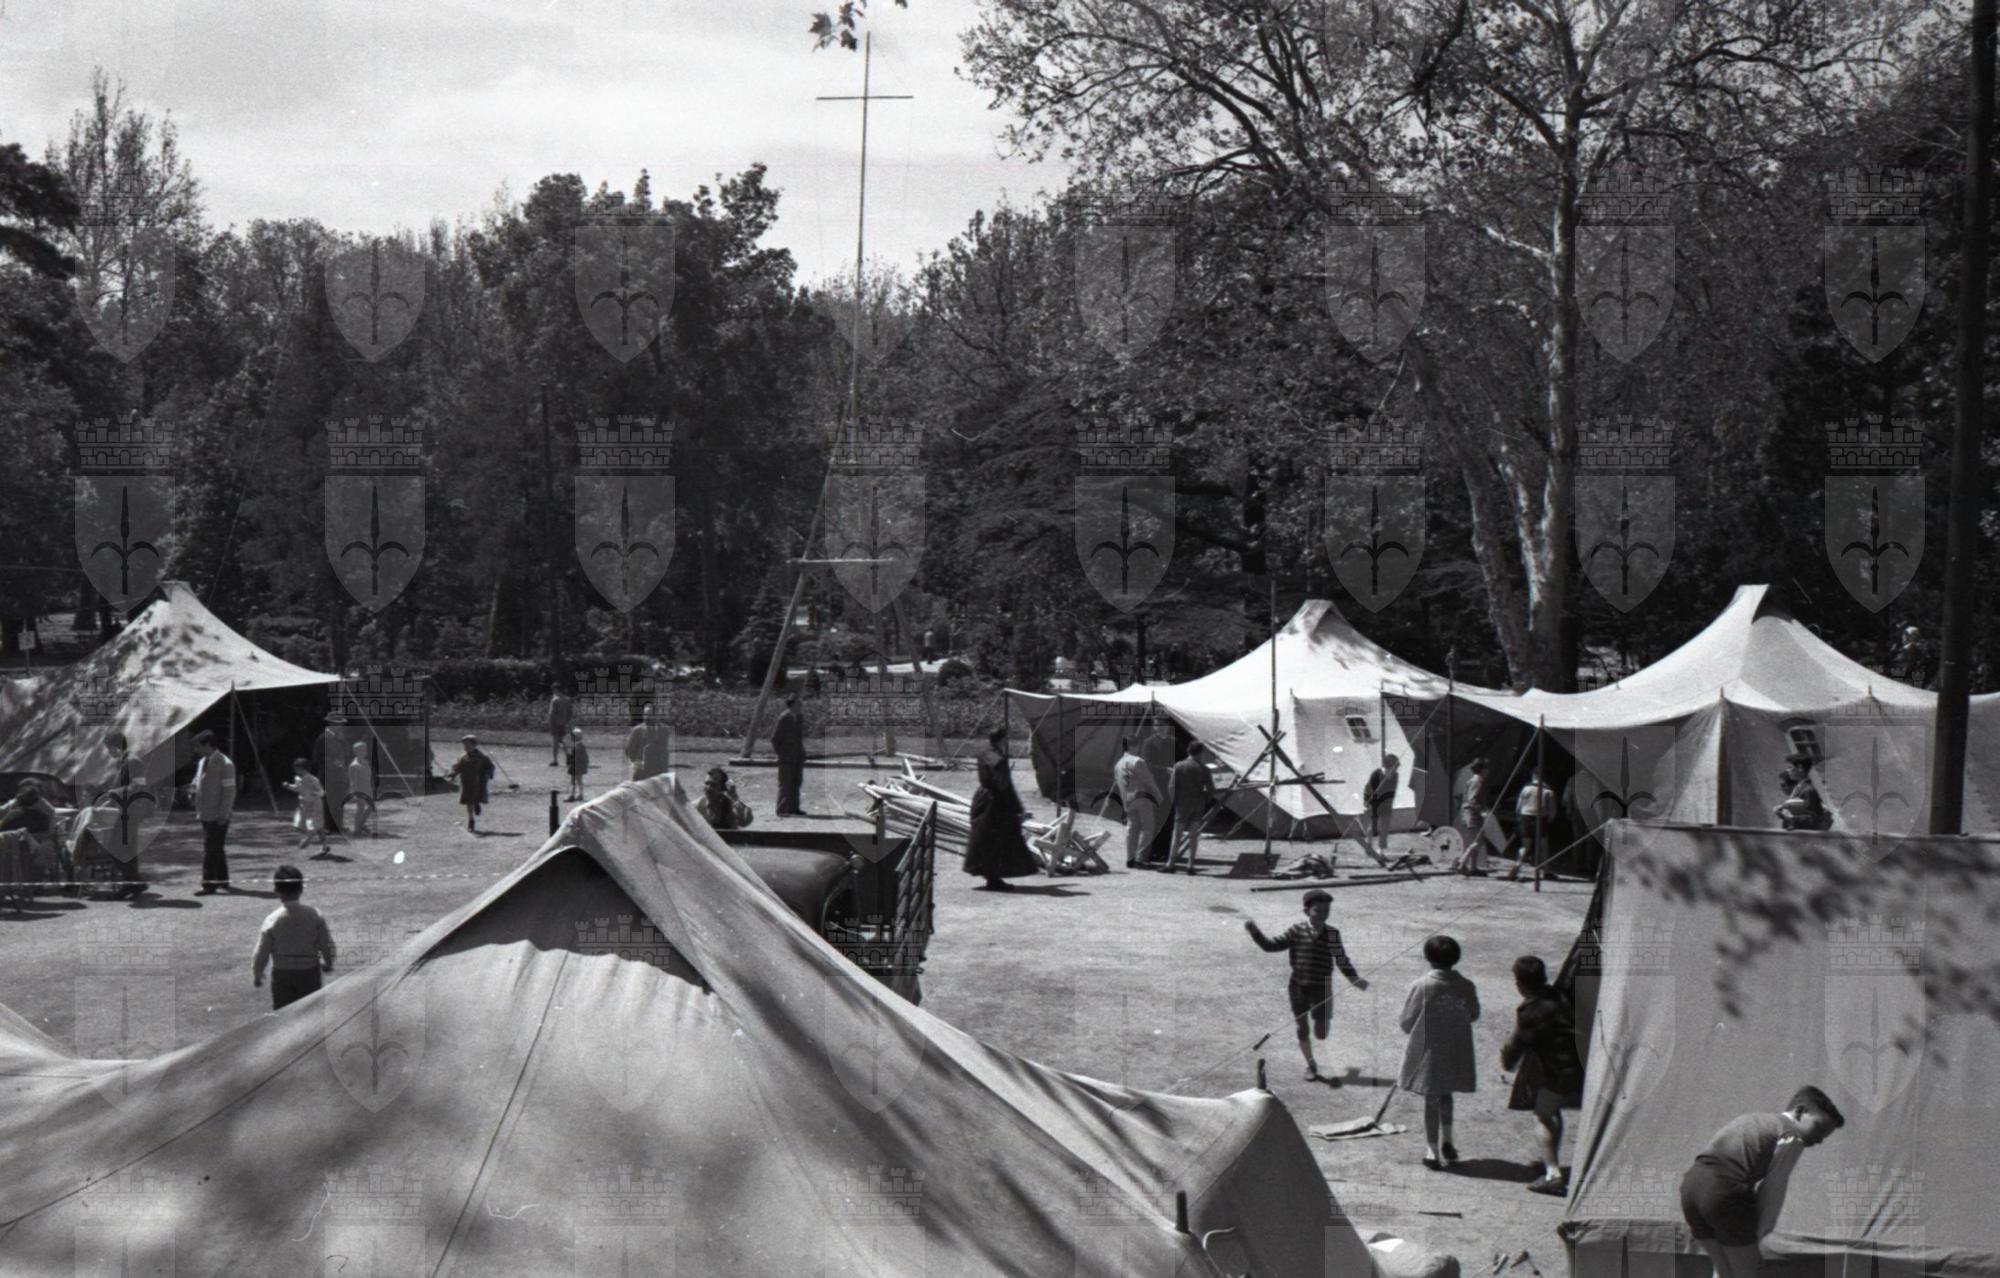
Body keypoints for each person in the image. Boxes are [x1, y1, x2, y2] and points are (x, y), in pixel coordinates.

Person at [1680, 1088, 1845, 1278]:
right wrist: (1756, 1236)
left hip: (1690, 1189)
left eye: (1825, 1136)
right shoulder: (1791, 1136)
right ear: (1800, 1112)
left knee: (1725, 1272)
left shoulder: (1752, 1119)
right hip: (1723, 1191)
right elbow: (1773, 1189)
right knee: (1750, 1273)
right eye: (1819, 1128)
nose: (1820, 1139)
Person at [1245, 889, 1370, 1081]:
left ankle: (1323, 1021)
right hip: (1298, 987)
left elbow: (1341, 959)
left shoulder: (1332, 934)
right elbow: (1271, 946)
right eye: (1318, 910)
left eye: (1326, 911)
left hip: (1322, 988)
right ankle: (1310, 1064)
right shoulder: (1296, 931)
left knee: (1321, 1033)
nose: (1322, 915)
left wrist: (1354, 979)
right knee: (1302, 1028)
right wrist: (1255, 933)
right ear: (1306, 911)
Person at [1500, 956, 1587, 1195]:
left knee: (1542, 1116)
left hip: (1558, 1071)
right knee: (1552, 1112)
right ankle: (1549, 1159)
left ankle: (1552, 1175)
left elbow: (1516, 1048)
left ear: (1520, 984)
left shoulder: (1530, 1012)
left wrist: (1506, 1060)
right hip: (1579, 1065)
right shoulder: (1558, 996)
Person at [1399, 934, 1481, 1170]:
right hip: (1456, 1049)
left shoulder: (1422, 985)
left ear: (1428, 957)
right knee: (1446, 1095)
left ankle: (1432, 1150)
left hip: (1430, 1052)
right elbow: (1474, 1014)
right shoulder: (1466, 985)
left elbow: (1406, 1022)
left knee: (1431, 1099)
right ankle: (1448, 1141)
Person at [963, 726, 1039, 891]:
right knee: (999, 840)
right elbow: (1004, 786)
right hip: (996, 803)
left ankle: (989, 874)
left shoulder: (984, 753)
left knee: (984, 838)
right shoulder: (999, 760)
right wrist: (1017, 807)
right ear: (1003, 740)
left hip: (982, 798)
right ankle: (994, 878)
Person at [252, 864, 336, 1011]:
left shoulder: (272, 920)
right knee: (311, 1012)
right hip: (309, 972)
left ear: (276, 890)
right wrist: (329, 962)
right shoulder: (314, 915)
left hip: (282, 973)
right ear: (301, 889)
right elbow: (326, 943)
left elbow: (261, 951)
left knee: (284, 1014)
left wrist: (258, 973)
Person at [192, 729, 237, 893]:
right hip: (205, 812)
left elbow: (229, 791)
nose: (196, 749)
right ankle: (222, 880)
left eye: (199, 746)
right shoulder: (202, 762)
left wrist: (224, 814)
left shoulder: (226, 764)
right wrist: (192, 788)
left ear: (208, 745)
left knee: (210, 848)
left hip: (218, 814)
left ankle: (208, 884)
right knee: (216, 847)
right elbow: (197, 781)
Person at [1111, 736, 1164, 867]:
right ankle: (1140, 857)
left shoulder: (1118, 764)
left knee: (1132, 828)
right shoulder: (1138, 761)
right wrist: (1158, 795)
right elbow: (1149, 781)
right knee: (1148, 828)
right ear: (1134, 746)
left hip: (1127, 799)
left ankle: (1130, 858)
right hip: (1141, 797)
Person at [1166, 741, 1217, 875]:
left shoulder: (1179, 766)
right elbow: (1211, 789)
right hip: (1198, 803)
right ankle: (1190, 865)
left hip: (1182, 803)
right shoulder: (1204, 769)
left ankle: (1171, 864)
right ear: (1200, 753)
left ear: (1188, 751)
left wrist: (1174, 801)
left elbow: (1171, 786)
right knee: (1193, 835)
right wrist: (1206, 800)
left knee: (1177, 834)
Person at [1508, 770, 1555, 882]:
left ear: (1534, 776)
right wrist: (1549, 820)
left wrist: (1519, 818)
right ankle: (1546, 871)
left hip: (1526, 817)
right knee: (1544, 846)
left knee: (1525, 846)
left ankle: (1516, 867)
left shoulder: (1526, 789)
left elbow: (1518, 807)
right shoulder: (1548, 791)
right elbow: (1553, 810)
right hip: (1541, 818)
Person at [283, 757, 332, 858]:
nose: (296, 770)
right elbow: (298, 789)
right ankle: (325, 846)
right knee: (318, 827)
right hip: (304, 805)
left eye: (298, 768)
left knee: (313, 824)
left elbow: (322, 792)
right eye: (295, 768)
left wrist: (316, 793)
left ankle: (307, 840)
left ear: (304, 769)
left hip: (315, 805)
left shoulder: (312, 779)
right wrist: (288, 786)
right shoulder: (297, 778)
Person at [447, 734, 496, 833]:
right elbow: (457, 767)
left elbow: (490, 767)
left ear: (474, 745)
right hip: (466, 783)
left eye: (468, 745)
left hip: (478, 783)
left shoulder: (481, 757)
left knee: (475, 798)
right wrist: (452, 774)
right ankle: (471, 820)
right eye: (464, 745)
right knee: (468, 802)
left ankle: (477, 803)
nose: (466, 747)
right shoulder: (463, 757)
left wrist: (487, 775)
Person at [1456, 759, 1494, 875]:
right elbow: (1472, 799)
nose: (1489, 771)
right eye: (1487, 768)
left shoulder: (1475, 779)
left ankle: (1473, 868)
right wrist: (1481, 811)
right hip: (1472, 813)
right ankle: (1462, 863)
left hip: (1470, 813)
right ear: (1482, 769)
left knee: (1476, 841)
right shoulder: (1477, 781)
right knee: (1478, 841)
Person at [1361, 754, 1401, 866]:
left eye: (1396, 768)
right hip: (1374, 803)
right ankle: (1368, 846)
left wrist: (1388, 804)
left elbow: (1392, 792)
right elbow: (1367, 789)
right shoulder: (1376, 774)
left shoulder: (1395, 776)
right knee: (1373, 826)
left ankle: (1381, 852)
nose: (1395, 771)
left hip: (1386, 803)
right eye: (1393, 768)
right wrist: (1367, 801)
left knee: (1384, 828)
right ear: (1386, 767)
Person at [1775, 753, 1831, 831]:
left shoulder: (1809, 790)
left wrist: (1792, 818)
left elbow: (1815, 819)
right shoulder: (1799, 788)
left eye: (1790, 767)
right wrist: (1782, 812)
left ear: (1800, 768)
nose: (1787, 771)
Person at [772, 691, 807, 816]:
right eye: (798, 704)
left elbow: (799, 738)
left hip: (797, 756)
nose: (801, 706)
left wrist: (802, 752)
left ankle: (793, 808)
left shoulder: (799, 717)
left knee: (796, 782)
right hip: (786, 757)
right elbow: (775, 738)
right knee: (785, 783)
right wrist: (781, 754)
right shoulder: (784, 718)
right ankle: (781, 809)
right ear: (792, 704)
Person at [625, 704, 672, 782]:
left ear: (656, 715)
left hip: (657, 771)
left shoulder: (664, 730)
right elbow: (629, 750)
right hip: (640, 771)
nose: (646, 717)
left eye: (649, 715)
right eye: (645, 714)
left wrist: (664, 769)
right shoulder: (637, 730)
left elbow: (664, 750)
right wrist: (636, 763)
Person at [699, 766, 749, 831]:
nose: (708, 788)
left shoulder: (730, 806)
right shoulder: (698, 805)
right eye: (706, 784)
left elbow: (744, 822)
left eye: (713, 785)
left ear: (722, 788)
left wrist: (734, 798)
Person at [344, 741, 375, 838]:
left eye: (364, 750)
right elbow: (352, 781)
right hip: (360, 789)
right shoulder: (354, 765)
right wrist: (355, 792)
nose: (363, 752)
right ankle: (357, 830)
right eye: (360, 750)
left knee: (371, 807)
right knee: (360, 808)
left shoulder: (366, 763)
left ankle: (361, 825)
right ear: (355, 751)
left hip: (368, 788)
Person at [547, 683, 573, 767]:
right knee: (560, 740)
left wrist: (550, 722)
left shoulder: (555, 700)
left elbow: (551, 713)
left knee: (555, 741)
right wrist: (567, 722)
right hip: (563, 723)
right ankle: (568, 755)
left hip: (555, 723)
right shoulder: (567, 699)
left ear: (556, 690)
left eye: (553, 689)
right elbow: (570, 713)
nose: (553, 691)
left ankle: (555, 760)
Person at [565, 727, 590, 801]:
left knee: (575, 781)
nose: (571, 738)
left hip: (576, 766)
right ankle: (578, 794)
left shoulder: (578, 746)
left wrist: (567, 753)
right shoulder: (579, 745)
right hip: (578, 765)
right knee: (577, 781)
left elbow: (575, 757)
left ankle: (574, 795)